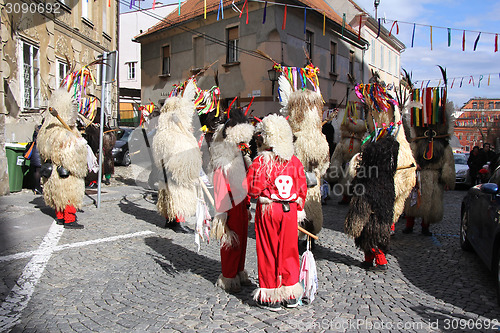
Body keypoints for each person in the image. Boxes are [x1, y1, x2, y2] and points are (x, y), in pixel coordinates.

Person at [246, 114, 307, 311]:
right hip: (289, 211)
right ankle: (290, 294)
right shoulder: (295, 161)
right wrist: (298, 208)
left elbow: (252, 189)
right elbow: (302, 189)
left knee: (268, 250)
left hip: (269, 209)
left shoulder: (261, 161)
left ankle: (271, 295)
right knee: (289, 251)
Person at [210, 108, 254, 293]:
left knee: (242, 241)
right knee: (230, 242)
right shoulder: (223, 160)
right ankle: (228, 276)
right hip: (230, 206)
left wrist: (248, 202)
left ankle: (238, 272)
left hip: (242, 204)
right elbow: (220, 186)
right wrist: (221, 212)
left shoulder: (242, 156)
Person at [152, 79, 201, 234]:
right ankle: (178, 221)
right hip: (174, 171)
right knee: (178, 193)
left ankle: (170, 219)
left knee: (167, 194)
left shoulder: (162, 131)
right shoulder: (176, 133)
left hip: (164, 169)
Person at [37, 89, 87, 229]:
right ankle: (69, 219)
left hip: (51, 171)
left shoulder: (46, 131)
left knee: (57, 195)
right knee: (69, 194)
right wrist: (80, 145)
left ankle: (60, 217)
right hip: (64, 172)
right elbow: (71, 155)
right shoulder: (63, 133)